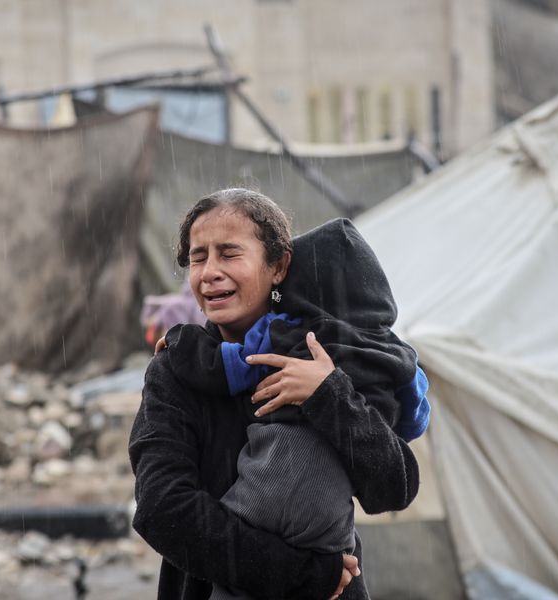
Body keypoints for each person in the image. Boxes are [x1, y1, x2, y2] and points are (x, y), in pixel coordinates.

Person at [129, 189, 421, 600]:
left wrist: (327, 395)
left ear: (279, 266)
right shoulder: (176, 370)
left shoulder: (326, 356)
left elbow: (393, 489)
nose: (209, 272)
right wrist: (301, 574)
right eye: (198, 257)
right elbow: (163, 509)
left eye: (229, 254)